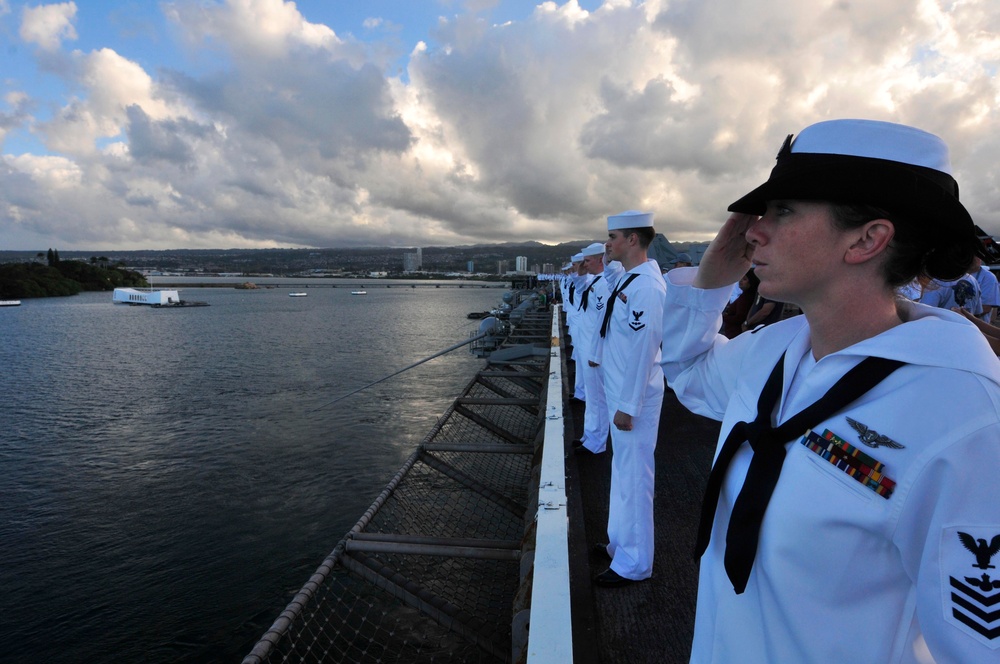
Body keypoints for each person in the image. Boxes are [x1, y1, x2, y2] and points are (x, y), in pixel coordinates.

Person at [659, 119, 1000, 662]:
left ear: (868, 239)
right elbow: (690, 376)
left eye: (784, 211)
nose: (752, 231)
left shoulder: (964, 415)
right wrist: (710, 284)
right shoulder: (775, 348)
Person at [590, 210, 666, 587]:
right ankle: (619, 544)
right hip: (620, 391)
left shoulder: (647, 287)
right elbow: (609, 282)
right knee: (621, 473)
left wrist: (628, 405)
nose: (608, 242)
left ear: (633, 239)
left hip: (632, 399)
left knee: (635, 478)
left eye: (614, 236)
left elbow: (644, 347)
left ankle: (635, 563)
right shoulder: (629, 278)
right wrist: (606, 263)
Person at [572, 242, 614, 455]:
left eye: (587, 261)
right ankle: (589, 436)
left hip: (595, 350)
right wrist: (579, 272)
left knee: (597, 397)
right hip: (586, 345)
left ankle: (596, 443)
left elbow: (602, 321)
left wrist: (596, 353)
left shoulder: (605, 285)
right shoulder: (594, 281)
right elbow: (580, 291)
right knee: (592, 394)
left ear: (600, 260)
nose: (584, 264)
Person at [720, 269, 758, 338]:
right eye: (741, 278)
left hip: (736, 333)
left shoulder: (747, 298)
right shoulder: (744, 295)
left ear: (751, 282)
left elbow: (740, 317)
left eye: (745, 279)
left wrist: (724, 317)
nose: (741, 281)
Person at [973, 255, 1000, 323]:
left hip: (976, 327)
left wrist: (961, 317)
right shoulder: (951, 275)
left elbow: (986, 307)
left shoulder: (988, 277)